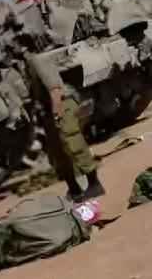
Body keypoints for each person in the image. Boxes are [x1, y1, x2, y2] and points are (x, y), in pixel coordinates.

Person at [24, 50, 105, 203]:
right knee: (58, 152)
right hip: (49, 108)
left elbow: (55, 89)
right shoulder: (27, 65)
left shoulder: (38, 60)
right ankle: (74, 189)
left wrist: (57, 114)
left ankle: (94, 184)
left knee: (73, 142)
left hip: (62, 104)